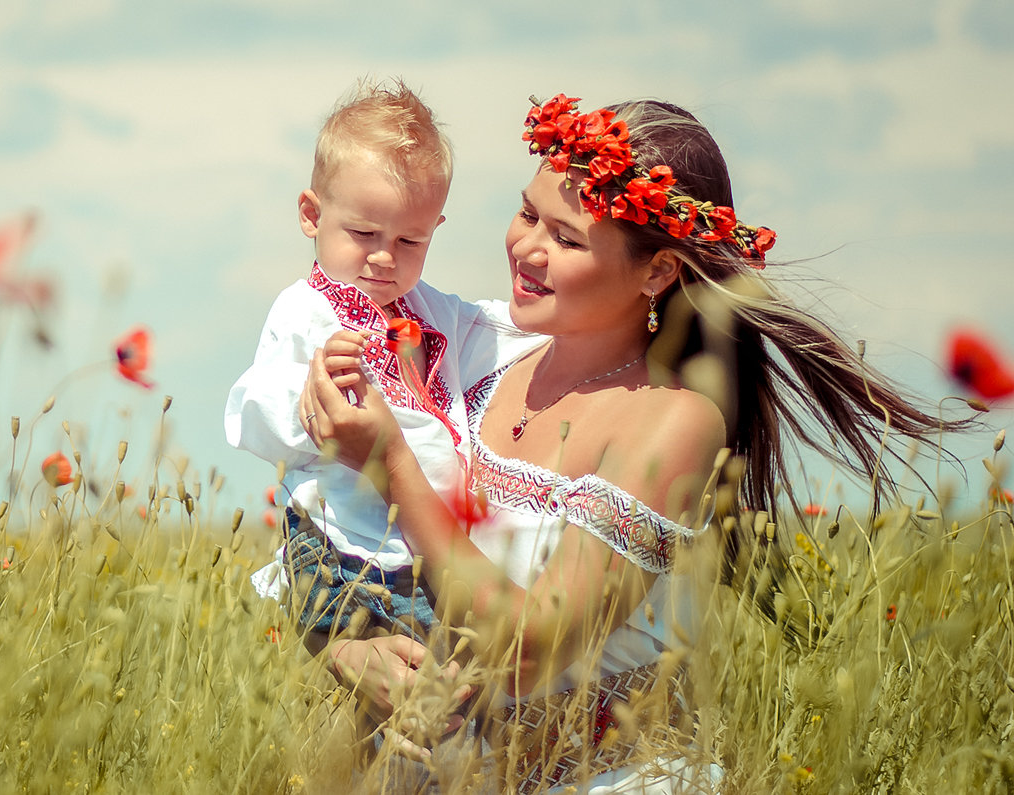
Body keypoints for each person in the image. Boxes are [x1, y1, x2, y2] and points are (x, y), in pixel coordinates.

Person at [300, 94, 958, 792]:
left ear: (657, 271)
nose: (528, 249)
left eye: (568, 237)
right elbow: (339, 527)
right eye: (527, 214)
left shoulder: (675, 419)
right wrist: (345, 646)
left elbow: (531, 648)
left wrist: (392, 462)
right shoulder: (475, 354)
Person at [225, 79, 539, 645]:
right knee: (365, 691)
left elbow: (503, 328)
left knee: (431, 695)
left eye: (410, 241)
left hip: (425, 553)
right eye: (364, 232)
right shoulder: (308, 311)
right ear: (310, 214)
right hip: (344, 551)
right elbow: (249, 409)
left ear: (435, 231)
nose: (383, 258)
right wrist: (310, 394)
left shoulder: (432, 312)